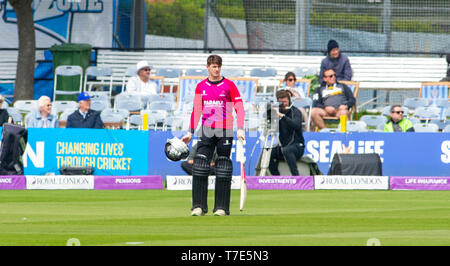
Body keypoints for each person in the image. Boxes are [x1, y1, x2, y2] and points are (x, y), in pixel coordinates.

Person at [181, 54, 245, 217]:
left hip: (225, 129)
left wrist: (241, 128)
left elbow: (239, 107)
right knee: (200, 165)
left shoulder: (229, 85)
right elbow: (196, 110)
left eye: (218, 66)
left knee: (222, 166)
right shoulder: (201, 86)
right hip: (207, 129)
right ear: (207, 67)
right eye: (213, 66)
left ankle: (221, 207)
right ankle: (198, 206)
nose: (216, 69)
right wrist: (190, 131)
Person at [268, 89, 305, 176]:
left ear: (289, 101)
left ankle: (296, 177)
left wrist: (282, 116)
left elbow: (296, 125)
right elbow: (270, 128)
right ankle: (276, 177)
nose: (283, 104)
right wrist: (270, 113)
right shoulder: (277, 112)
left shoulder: (296, 112)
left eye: (285, 101)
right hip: (283, 146)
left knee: (287, 150)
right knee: (269, 152)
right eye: (281, 102)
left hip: (297, 146)